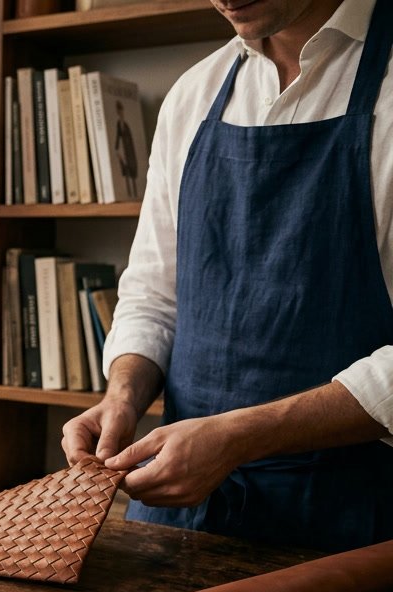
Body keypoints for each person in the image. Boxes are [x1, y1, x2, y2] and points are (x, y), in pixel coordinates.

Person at [62, 0, 393, 552]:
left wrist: (238, 437)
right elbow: (153, 294)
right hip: (179, 525)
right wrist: (123, 397)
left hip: (350, 534)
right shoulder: (193, 95)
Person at [113, 99, 138, 198]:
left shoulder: (126, 125)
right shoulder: (119, 124)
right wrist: (116, 149)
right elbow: (117, 137)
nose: (121, 113)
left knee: (132, 172)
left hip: (129, 151)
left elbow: (130, 139)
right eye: (119, 111)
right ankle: (129, 195)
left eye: (121, 111)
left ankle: (135, 194)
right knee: (126, 172)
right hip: (124, 151)